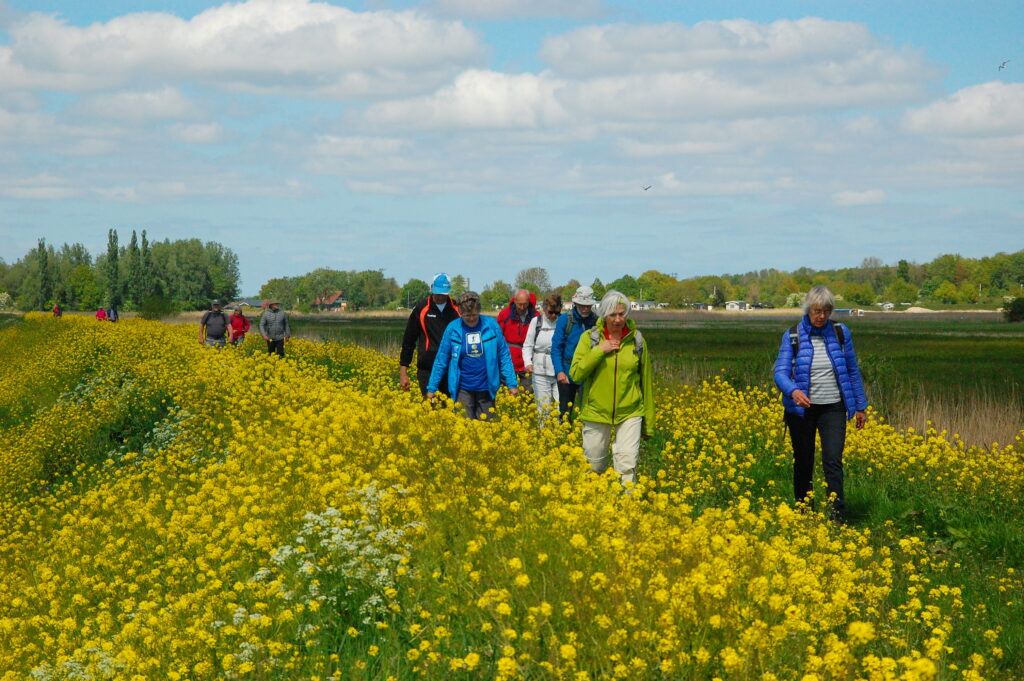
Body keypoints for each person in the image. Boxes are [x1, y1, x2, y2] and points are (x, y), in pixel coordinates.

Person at [773, 285, 868, 524]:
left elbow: (852, 371)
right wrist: (793, 391)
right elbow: (780, 372)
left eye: (826, 311)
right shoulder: (793, 335)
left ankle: (837, 516)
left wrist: (860, 406)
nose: (821, 316)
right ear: (808, 309)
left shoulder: (840, 332)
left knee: (833, 461)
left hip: (833, 407)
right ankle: (804, 514)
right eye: (816, 311)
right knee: (804, 461)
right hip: (801, 410)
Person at [570, 290, 655, 487]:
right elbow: (576, 373)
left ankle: (626, 507)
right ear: (604, 315)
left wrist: (648, 423)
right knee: (594, 465)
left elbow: (646, 382)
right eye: (613, 314)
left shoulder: (637, 341)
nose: (618, 319)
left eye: (622, 314)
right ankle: (594, 506)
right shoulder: (589, 339)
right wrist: (599, 351)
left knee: (627, 463)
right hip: (596, 411)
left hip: (630, 411)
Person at [426, 291, 519, 420]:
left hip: (487, 387)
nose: (471, 318)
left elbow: (504, 355)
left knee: (487, 431)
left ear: (479, 310)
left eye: (474, 314)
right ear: (460, 313)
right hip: (462, 388)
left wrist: (511, 384)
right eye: (467, 315)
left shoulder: (491, 326)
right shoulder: (453, 329)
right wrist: (432, 387)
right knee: (464, 429)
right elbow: (441, 360)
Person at [399, 273, 461, 397]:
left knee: (449, 410)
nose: (439, 297)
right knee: (430, 407)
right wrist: (403, 372)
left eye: (442, 294)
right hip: (427, 368)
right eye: (436, 293)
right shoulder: (421, 308)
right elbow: (409, 340)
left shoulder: (457, 309)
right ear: (432, 289)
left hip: (451, 369)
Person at [551, 285, 598, 421]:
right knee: (565, 413)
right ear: (575, 303)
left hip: (588, 374)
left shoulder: (597, 321)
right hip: (567, 373)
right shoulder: (565, 320)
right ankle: (564, 437)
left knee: (588, 412)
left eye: (588, 305)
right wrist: (559, 371)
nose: (585, 308)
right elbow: (556, 348)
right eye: (582, 305)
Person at [522, 293, 563, 419]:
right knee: (542, 406)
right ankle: (543, 433)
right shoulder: (536, 322)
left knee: (560, 406)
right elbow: (528, 344)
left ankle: (559, 434)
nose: (553, 316)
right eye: (551, 312)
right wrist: (528, 362)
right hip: (540, 369)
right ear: (544, 308)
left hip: (559, 369)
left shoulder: (562, 321)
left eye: (557, 312)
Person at [496, 288, 538, 392]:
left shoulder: (536, 316)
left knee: (528, 392)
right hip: (509, 359)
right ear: (514, 301)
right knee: (507, 391)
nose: (522, 307)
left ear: (529, 302)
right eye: (519, 304)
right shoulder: (505, 314)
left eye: (525, 304)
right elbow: (497, 337)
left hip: (528, 359)